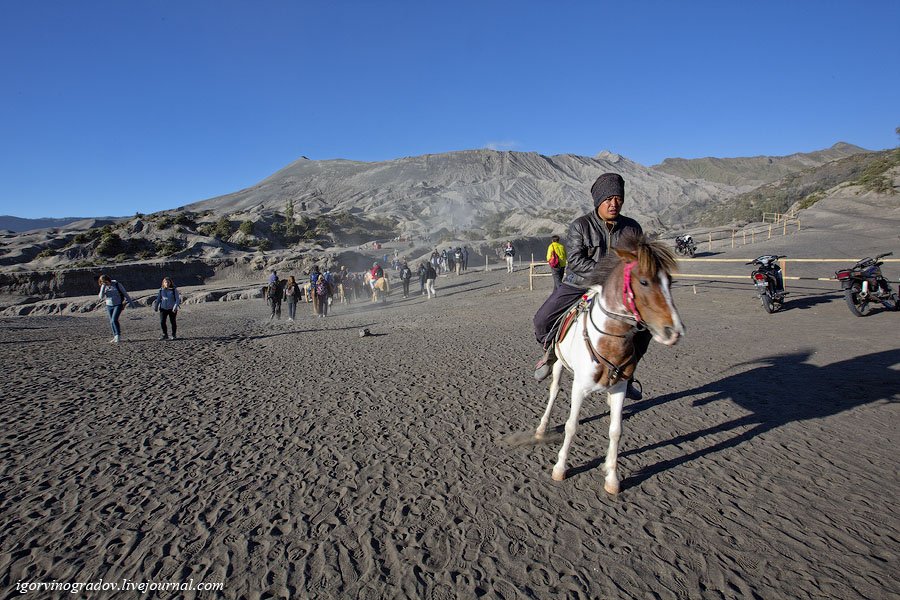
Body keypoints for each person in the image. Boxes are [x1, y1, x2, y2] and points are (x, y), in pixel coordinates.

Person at [532, 172, 648, 400]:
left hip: (619, 289)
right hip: (579, 284)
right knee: (542, 319)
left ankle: (628, 374)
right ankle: (550, 353)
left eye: (618, 198)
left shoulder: (632, 228)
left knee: (646, 326)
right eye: (608, 199)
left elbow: (640, 259)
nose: (614, 203)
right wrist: (609, 274)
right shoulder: (580, 226)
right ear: (598, 201)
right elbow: (575, 260)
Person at [97, 274, 135, 343]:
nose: (104, 283)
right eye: (102, 282)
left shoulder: (117, 284)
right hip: (109, 305)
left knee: (114, 320)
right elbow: (101, 297)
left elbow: (125, 293)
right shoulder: (104, 287)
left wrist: (131, 303)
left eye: (105, 281)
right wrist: (103, 287)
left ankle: (118, 336)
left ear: (108, 280)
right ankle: (115, 336)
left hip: (118, 304)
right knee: (111, 321)